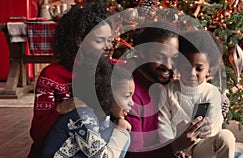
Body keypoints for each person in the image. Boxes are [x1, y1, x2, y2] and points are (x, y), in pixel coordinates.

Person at [28, 1, 113, 157]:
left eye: (110, 40)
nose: (108, 47)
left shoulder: (111, 69)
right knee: (80, 113)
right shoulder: (51, 75)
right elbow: (37, 135)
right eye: (100, 41)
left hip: (92, 150)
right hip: (56, 150)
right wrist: (61, 109)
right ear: (79, 41)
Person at [125, 22, 211, 158]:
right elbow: (132, 155)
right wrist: (175, 146)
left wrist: (177, 152)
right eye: (160, 57)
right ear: (142, 52)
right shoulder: (129, 93)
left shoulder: (163, 84)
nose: (169, 66)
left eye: (174, 58)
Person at [158, 29, 236, 158]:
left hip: (201, 146)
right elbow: (162, 125)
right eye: (186, 67)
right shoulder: (168, 91)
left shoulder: (211, 93)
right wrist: (176, 148)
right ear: (178, 66)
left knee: (226, 137)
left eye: (199, 69)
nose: (192, 73)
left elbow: (215, 126)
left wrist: (206, 130)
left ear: (209, 72)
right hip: (176, 146)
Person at [41, 55, 133, 158]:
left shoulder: (102, 117)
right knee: (122, 135)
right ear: (108, 95)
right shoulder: (82, 116)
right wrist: (120, 130)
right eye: (127, 96)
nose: (132, 102)